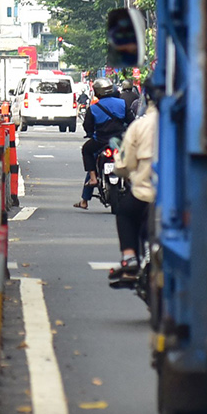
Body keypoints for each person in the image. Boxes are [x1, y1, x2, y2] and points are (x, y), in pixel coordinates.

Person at [111, 72, 161, 278]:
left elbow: (124, 164)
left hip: (145, 194)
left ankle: (130, 257)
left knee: (124, 212)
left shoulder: (141, 125)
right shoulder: (192, 121)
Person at [76, 79, 130, 209]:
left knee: (87, 151)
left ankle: (93, 179)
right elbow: (131, 121)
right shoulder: (122, 103)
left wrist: (90, 133)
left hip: (100, 142)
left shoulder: (94, 108)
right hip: (120, 142)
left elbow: (87, 127)